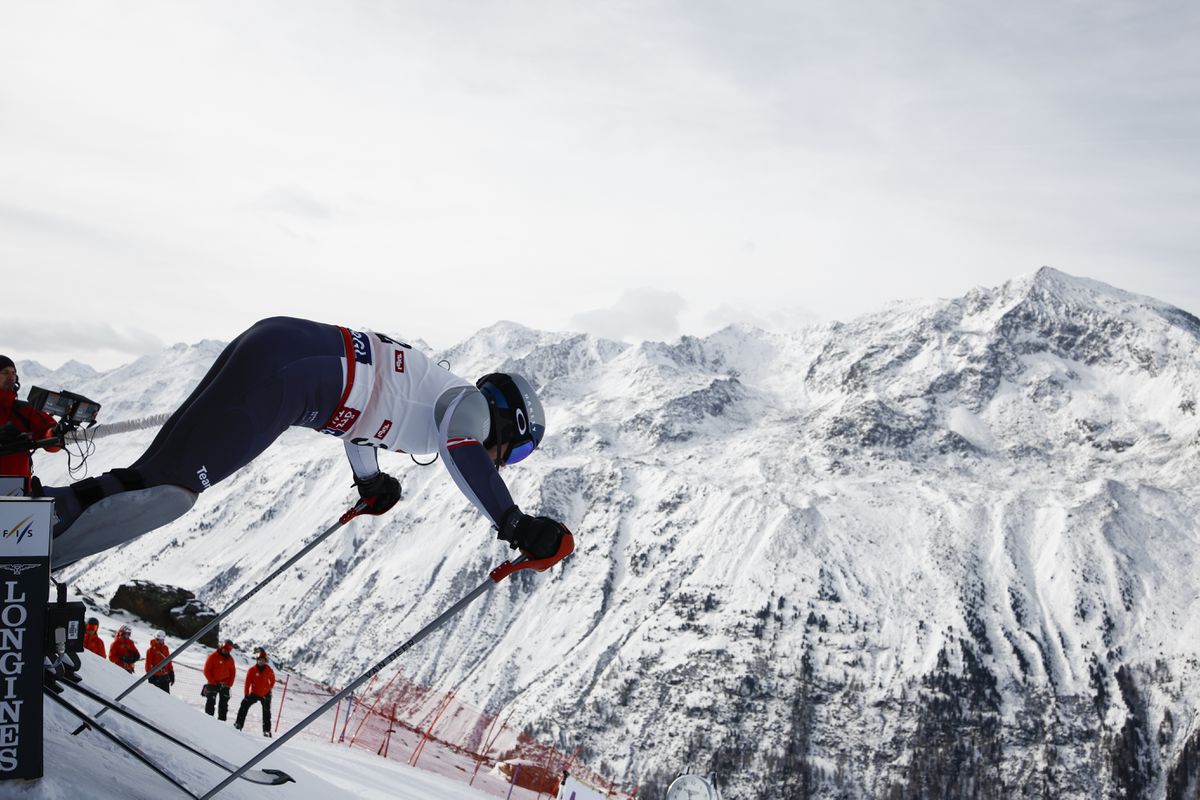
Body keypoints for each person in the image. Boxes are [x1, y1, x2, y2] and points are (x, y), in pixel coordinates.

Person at [43, 317, 572, 569]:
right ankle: (29, 554)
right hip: (292, 381)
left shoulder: (434, 392)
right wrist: (513, 522)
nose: (505, 461)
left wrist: (369, 480)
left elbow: (362, 418)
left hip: (280, 349)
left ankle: (32, 523)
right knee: (171, 493)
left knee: (154, 475)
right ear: (509, 423)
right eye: (517, 451)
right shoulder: (472, 408)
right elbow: (463, 454)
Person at [0, 354, 61, 486]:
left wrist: (56, 433)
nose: (11, 377)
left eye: (13, 373)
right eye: (5, 372)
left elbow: (50, 441)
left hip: (17, 487)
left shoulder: (25, 410)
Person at [235, 648, 276, 737]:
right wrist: (246, 695)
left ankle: (266, 731)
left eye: (263, 660)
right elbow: (247, 683)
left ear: (265, 661)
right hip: (254, 693)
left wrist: (268, 689)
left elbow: (272, 680)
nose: (261, 662)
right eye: (259, 660)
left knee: (266, 712)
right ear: (257, 660)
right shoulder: (252, 670)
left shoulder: (269, 670)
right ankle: (238, 724)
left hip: (265, 694)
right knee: (244, 705)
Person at [203, 639, 237, 721]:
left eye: (228, 649)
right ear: (221, 647)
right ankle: (208, 719)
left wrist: (229, 684)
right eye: (224, 648)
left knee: (223, 705)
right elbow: (206, 670)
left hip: (225, 684)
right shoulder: (213, 656)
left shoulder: (230, 659)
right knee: (211, 701)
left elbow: (233, 672)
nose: (225, 650)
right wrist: (212, 681)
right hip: (213, 683)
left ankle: (222, 722)